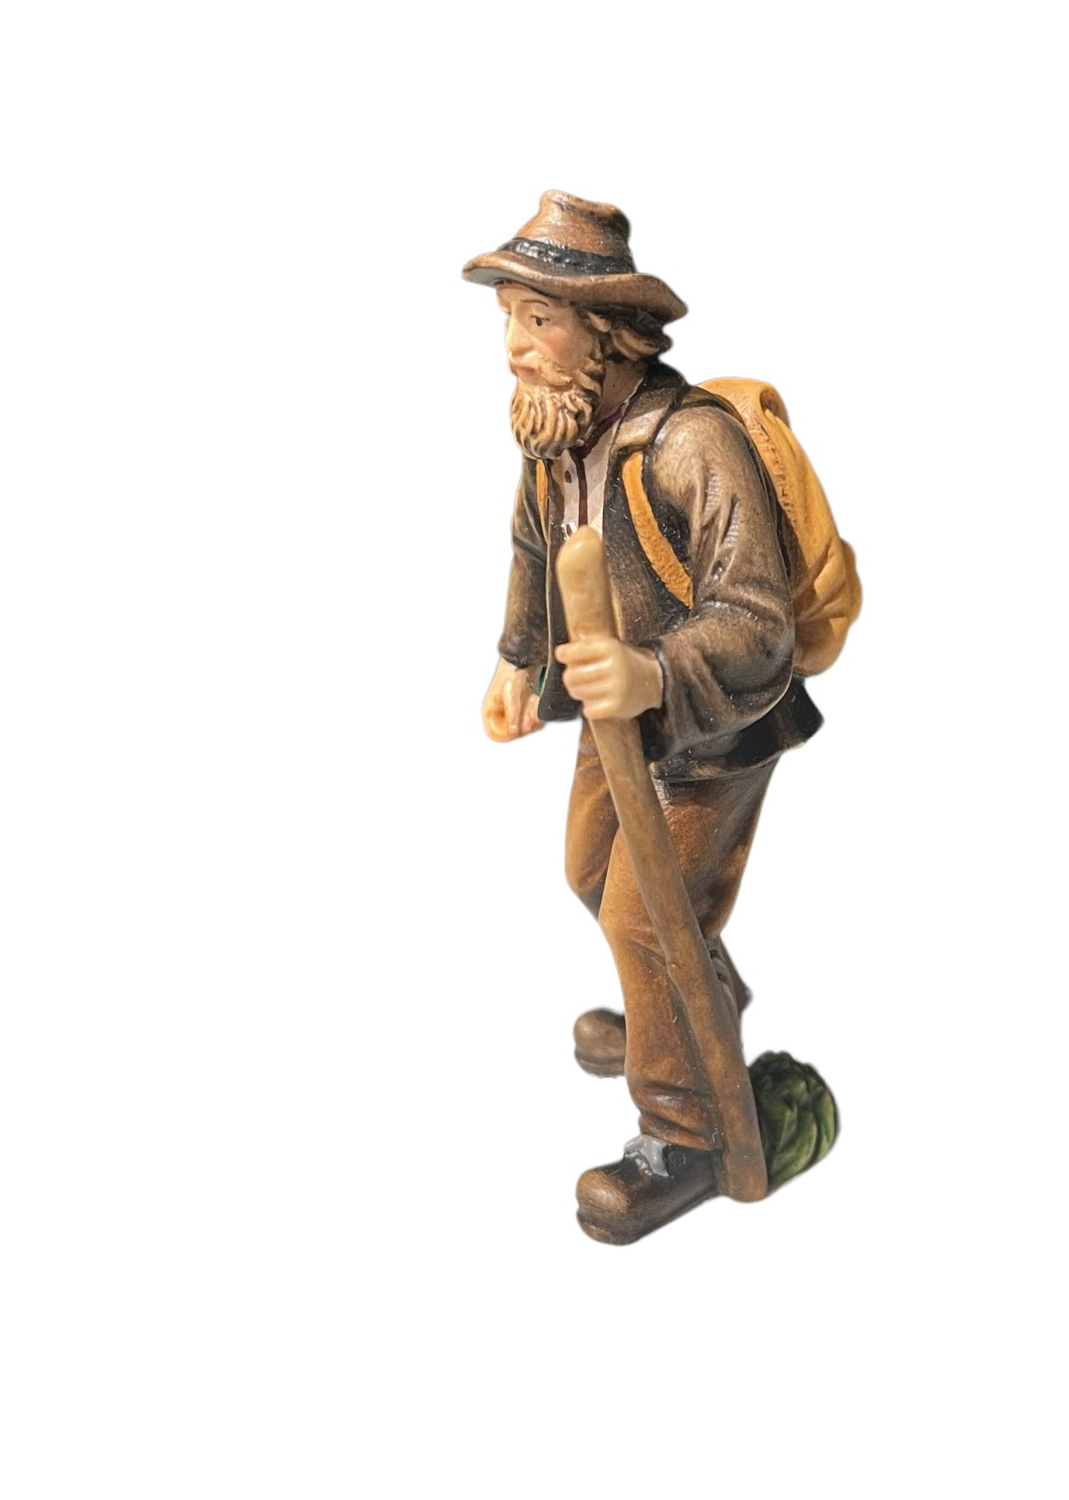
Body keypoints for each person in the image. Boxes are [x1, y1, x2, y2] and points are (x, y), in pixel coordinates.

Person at [464, 191, 822, 1242]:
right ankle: (691, 1008)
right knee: (592, 871)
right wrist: (517, 659)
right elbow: (534, 549)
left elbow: (757, 621)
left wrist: (655, 672)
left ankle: (685, 1132)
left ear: (607, 331)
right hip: (617, 718)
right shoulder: (556, 434)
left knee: (645, 911)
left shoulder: (693, 443)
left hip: (716, 726)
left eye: (539, 320)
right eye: (510, 319)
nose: (516, 347)